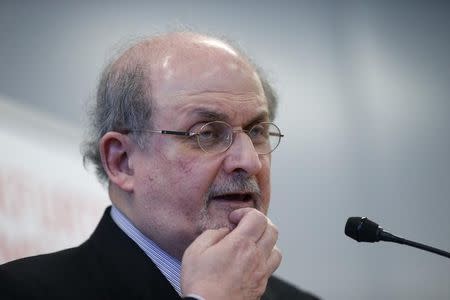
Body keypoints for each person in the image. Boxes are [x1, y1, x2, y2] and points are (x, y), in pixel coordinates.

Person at [0, 31, 319, 300]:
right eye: (207, 134)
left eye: (257, 132)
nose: (248, 161)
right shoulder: (20, 291)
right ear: (122, 162)